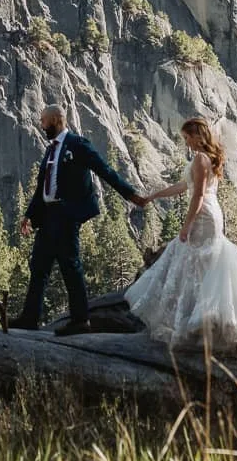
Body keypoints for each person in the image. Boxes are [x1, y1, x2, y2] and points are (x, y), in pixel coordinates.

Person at [126, 117, 237, 350]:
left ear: (197, 136)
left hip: (203, 215)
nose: (186, 143)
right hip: (210, 213)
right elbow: (183, 186)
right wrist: (154, 196)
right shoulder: (206, 158)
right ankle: (202, 320)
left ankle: (200, 321)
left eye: (187, 138)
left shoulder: (200, 158)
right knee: (202, 265)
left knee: (195, 262)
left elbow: (198, 196)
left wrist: (186, 226)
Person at [15, 104, 144, 334]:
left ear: (56, 120)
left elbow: (105, 170)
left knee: (70, 266)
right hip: (47, 217)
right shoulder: (50, 151)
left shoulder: (77, 145)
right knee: (39, 266)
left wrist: (130, 194)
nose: (41, 125)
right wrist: (29, 216)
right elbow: (41, 189)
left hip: (66, 216)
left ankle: (81, 320)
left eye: (43, 121)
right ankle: (29, 317)